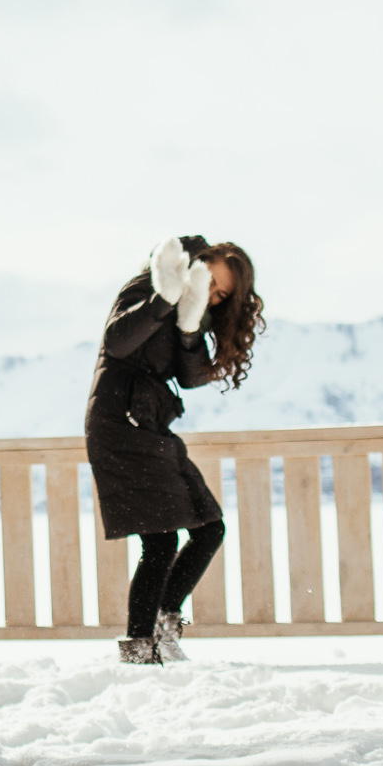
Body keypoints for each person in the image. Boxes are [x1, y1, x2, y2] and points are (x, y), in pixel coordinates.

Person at [84, 235, 265, 665]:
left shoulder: (196, 310)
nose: (216, 298)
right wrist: (164, 301)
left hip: (151, 422)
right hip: (119, 420)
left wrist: (188, 330)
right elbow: (117, 343)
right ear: (200, 263)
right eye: (214, 285)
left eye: (222, 296)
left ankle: (161, 630)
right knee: (161, 544)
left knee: (209, 527)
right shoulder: (149, 284)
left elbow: (191, 377)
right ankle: (139, 650)